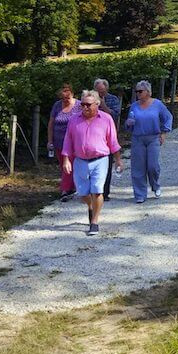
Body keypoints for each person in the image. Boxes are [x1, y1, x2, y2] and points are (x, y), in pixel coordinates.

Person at [61, 90, 123, 236]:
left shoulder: (106, 119)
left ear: (97, 104)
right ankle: (90, 206)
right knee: (83, 193)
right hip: (80, 160)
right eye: (82, 104)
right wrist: (66, 159)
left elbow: (113, 141)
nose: (85, 107)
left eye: (88, 104)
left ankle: (94, 222)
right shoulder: (74, 120)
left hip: (100, 159)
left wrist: (118, 160)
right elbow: (68, 141)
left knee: (97, 189)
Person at [124, 80, 173, 203]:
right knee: (138, 167)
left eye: (140, 91)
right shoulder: (134, 106)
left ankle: (155, 185)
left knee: (153, 166)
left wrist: (163, 133)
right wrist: (128, 123)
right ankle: (140, 194)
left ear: (148, 92)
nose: (138, 93)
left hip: (153, 138)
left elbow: (168, 117)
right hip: (137, 138)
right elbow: (128, 124)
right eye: (136, 91)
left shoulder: (157, 104)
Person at [48, 83, 82, 202]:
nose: (65, 100)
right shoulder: (57, 105)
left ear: (72, 94)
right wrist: (50, 140)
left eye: (67, 97)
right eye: (63, 98)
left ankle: (64, 190)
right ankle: (71, 187)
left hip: (73, 142)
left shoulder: (79, 105)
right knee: (64, 166)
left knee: (69, 165)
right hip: (58, 141)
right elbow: (51, 123)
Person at [94, 78, 122, 202]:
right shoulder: (88, 100)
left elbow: (115, 116)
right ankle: (93, 191)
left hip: (107, 136)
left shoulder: (113, 99)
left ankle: (104, 193)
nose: (101, 95)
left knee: (107, 165)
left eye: (103, 92)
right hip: (92, 136)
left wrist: (103, 105)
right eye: (98, 92)